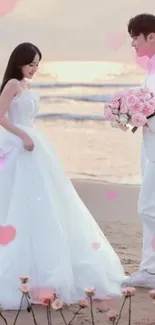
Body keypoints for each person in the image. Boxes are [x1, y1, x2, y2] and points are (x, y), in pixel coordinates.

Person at [0, 42, 126, 310]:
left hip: (34, 145)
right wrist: (22, 135)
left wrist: (29, 135)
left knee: (47, 205)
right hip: (20, 143)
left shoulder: (27, 85)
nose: (34, 69)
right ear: (19, 62)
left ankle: (43, 274)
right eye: (30, 63)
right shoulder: (12, 83)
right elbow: (1, 116)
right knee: (18, 205)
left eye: (37, 64)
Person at [123, 13, 155, 288]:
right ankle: (150, 269)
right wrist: (129, 116)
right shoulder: (150, 70)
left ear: (151, 36)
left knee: (148, 208)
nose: (133, 43)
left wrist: (143, 115)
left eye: (136, 37)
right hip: (149, 147)